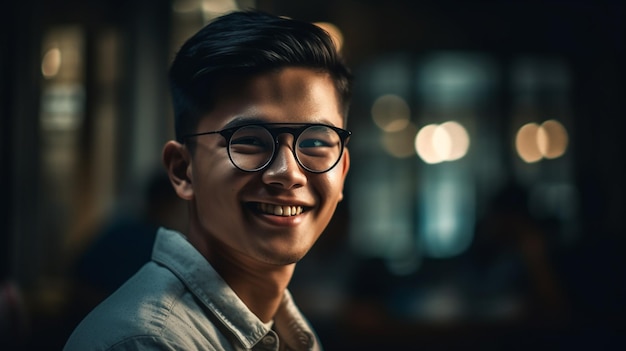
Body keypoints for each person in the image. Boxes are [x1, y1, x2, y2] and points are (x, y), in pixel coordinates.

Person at [64, 9, 352, 351]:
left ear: (343, 169)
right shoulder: (147, 342)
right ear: (183, 170)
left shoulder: (290, 335)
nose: (288, 173)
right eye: (249, 140)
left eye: (316, 142)